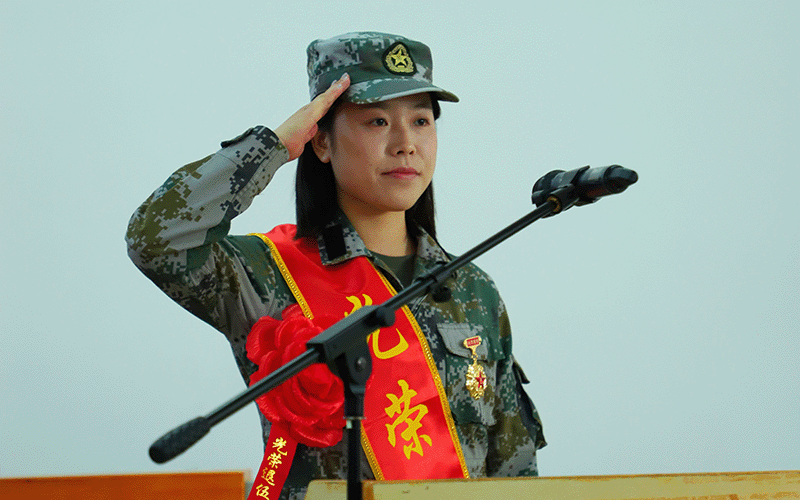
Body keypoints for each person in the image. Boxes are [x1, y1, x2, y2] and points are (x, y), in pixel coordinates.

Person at [126, 31, 545, 500]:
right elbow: (156, 240)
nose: (406, 144)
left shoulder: (471, 290)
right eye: (377, 121)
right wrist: (272, 147)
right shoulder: (266, 273)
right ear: (321, 142)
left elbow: (514, 467)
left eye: (421, 121)